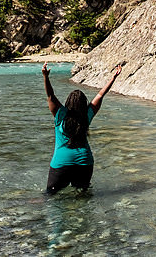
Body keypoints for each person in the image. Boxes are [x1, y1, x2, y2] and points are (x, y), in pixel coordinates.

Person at [42, 62, 122, 194]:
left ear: (68, 103)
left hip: (62, 162)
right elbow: (100, 95)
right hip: (84, 162)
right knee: (83, 196)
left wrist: (46, 76)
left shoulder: (60, 114)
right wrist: (113, 78)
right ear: (84, 104)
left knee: (50, 195)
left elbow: (50, 95)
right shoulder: (87, 115)